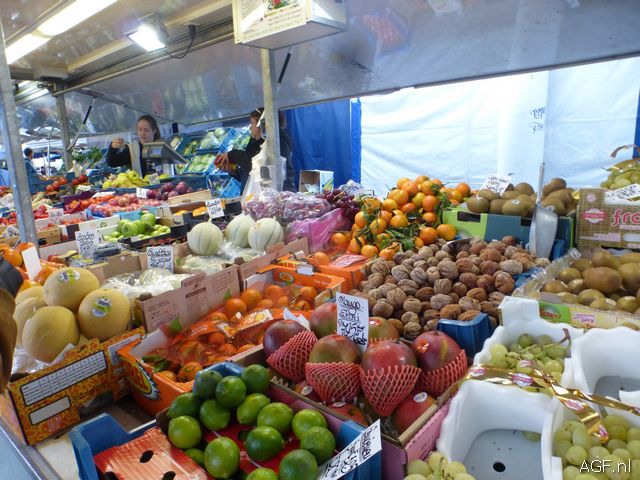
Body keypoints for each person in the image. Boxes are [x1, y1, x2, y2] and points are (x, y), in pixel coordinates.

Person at [215, 108, 295, 192]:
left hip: (278, 193)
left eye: (252, 123)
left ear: (261, 124)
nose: (250, 128)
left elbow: (256, 166)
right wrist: (234, 172)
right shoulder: (257, 142)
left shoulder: (277, 139)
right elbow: (252, 174)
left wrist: (231, 155)